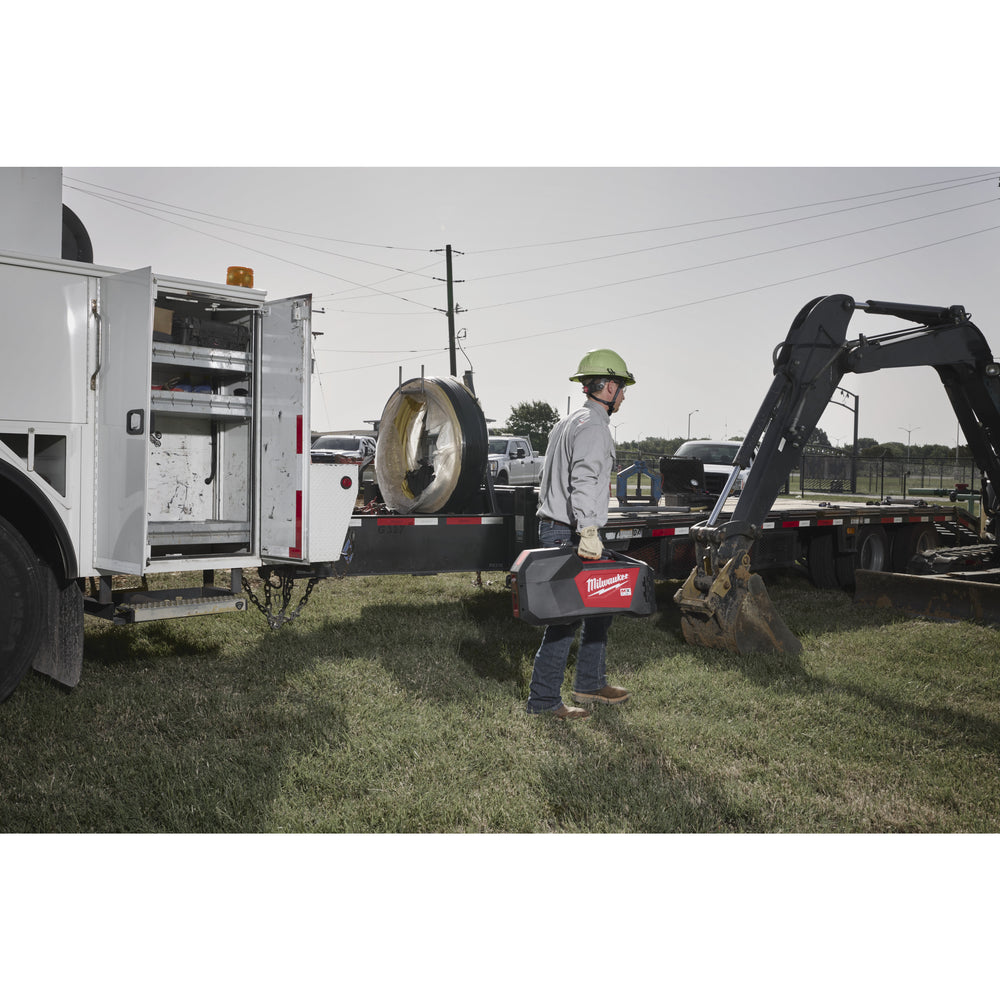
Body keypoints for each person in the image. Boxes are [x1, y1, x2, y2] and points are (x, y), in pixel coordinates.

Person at [526, 348, 636, 720]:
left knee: (600, 606)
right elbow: (585, 479)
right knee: (565, 619)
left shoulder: (569, 422)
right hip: (570, 532)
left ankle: (590, 682)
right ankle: (543, 702)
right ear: (608, 387)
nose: (624, 396)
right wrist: (588, 529)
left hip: (562, 527)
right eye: (622, 388)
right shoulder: (593, 427)